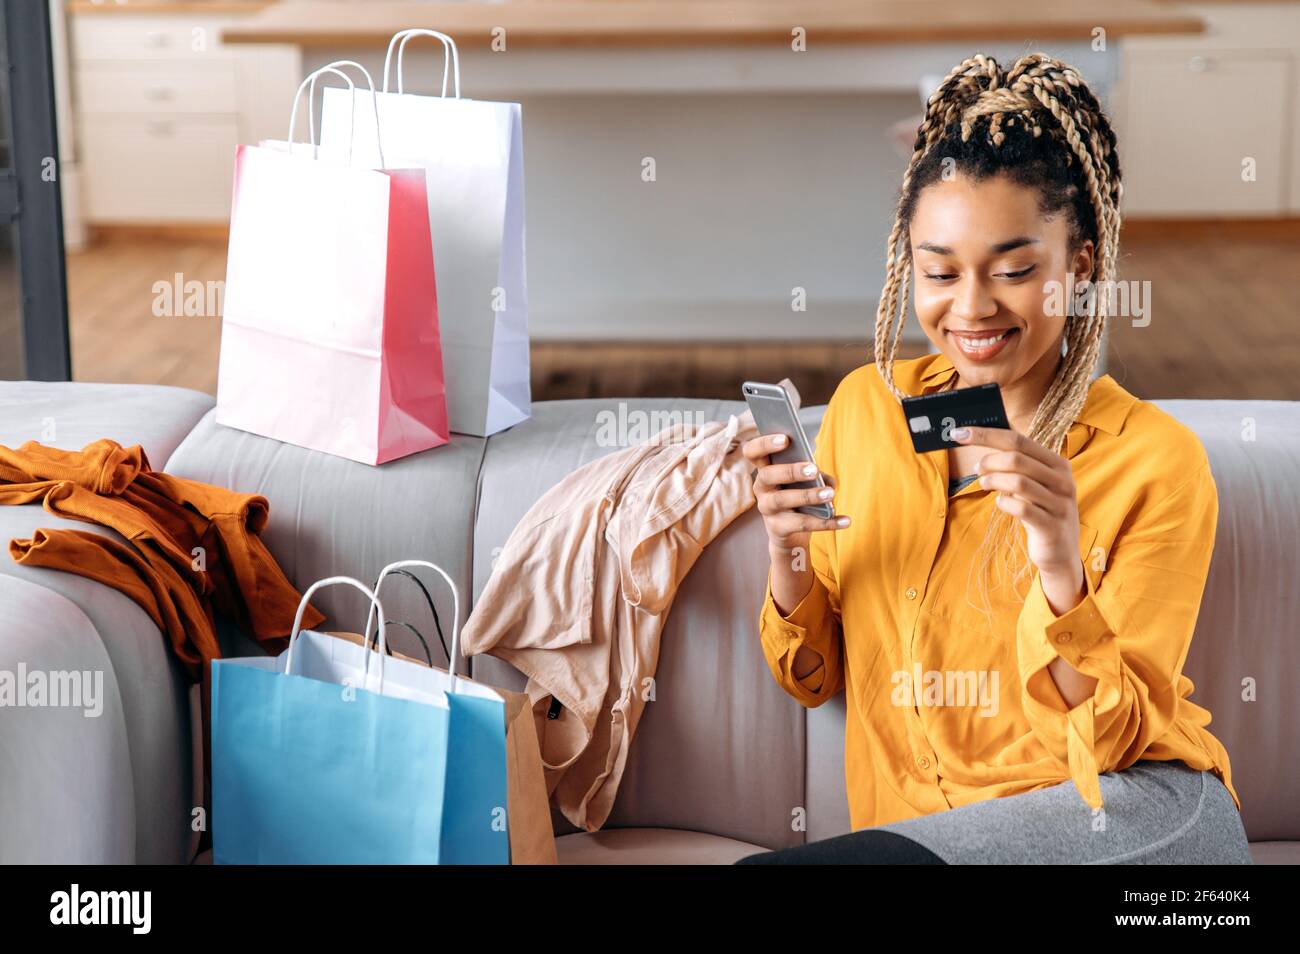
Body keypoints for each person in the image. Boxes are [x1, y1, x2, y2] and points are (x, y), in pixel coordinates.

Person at [736, 53, 1252, 865]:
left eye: (1014, 271)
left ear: (1078, 267)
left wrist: (1059, 568)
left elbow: (1109, 743)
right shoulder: (867, 413)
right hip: (925, 842)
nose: (971, 307)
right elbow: (812, 680)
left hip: (1139, 826)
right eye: (939, 272)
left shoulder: (1154, 463)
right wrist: (788, 550)